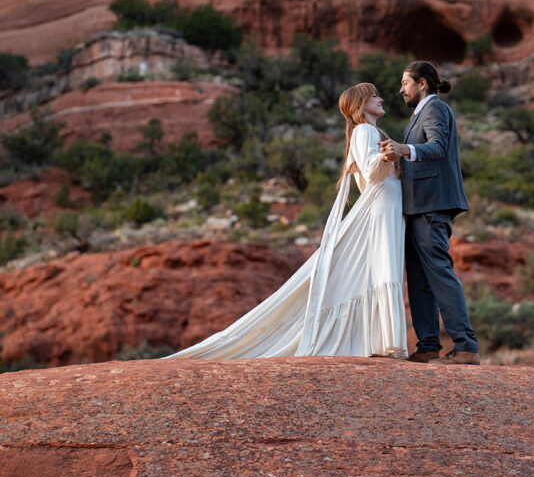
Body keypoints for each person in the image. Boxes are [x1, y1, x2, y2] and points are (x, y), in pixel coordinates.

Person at [169, 83, 407, 360]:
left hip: (384, 208)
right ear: (360, 105)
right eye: (373, 96)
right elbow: (371, 170)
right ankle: (384, 342)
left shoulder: (368, 131)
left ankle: (381, 342)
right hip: (380, 208)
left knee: (379, 271)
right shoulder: (365, 130)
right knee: (383, 269)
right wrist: (390, 154)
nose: (380, 99)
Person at [379, 60, 479, 365]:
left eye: (405, 83)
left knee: (438, 272)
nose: (400, 89)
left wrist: (404, 150)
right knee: (420, 279)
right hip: (418, 206)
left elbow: (437, 147)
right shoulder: (418, 115)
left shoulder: (435, 109)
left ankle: (465, 346)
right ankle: (428, 346)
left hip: (432, 205)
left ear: (422, 83)